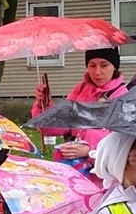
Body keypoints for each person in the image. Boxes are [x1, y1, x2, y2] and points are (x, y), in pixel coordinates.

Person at [30, 47, 128, 175]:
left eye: (104, 65)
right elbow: (58, 126)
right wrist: (44, 105)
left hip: (104, 174)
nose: (97, 72)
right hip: (74, 169)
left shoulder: (123, 96)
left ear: (114, 66)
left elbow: (122, 140)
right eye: (92, 66)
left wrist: (90, 150)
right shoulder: (81, 89)